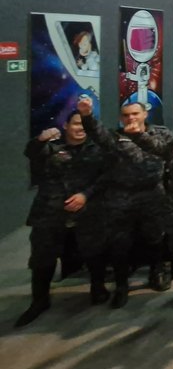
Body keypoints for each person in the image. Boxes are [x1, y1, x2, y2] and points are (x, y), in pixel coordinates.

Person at [76, 97, 173, 308]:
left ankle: (157, 271)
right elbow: (98, 134)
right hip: (121, 196)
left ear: (145, 114)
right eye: (126, 115)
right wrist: (87, 116)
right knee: (119, 243)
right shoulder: (115, 136)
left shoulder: (160, 133)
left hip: (153, 194)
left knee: (155, 237)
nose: (131, 118)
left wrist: (139, 136)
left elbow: (166, 150)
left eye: (135, 113)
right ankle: (122, 285)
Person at [16, 113, 106, 327]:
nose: (80, 128)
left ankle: (98, 287)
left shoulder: (98, 148)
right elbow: (31, 153)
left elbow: (105, 177)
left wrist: (86, 195)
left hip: (86, 211)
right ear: (66, 125)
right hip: (50, 212)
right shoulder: (51, 146)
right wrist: (40, 139)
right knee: (42, 258)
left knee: (94, 251)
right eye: (76, 123)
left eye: (84, 124)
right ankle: (40, 300)